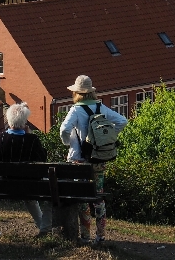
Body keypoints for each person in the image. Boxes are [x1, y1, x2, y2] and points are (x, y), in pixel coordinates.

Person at [59, 75, 127, 244]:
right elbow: (122, 121)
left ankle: (85, 236)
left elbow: (64, 130)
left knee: (82, 199)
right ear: (91, 92)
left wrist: (69, 143)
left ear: (77, 93)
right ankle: (101, 235)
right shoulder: (101, 107)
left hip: (79, 161)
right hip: (98, 159)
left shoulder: (75, 110)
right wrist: (107, 138)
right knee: (98, 197)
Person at [0, 102, 51, 235]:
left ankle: (43, 228)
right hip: (29, 187)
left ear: (8, 121)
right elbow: (43, 159)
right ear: (25, 122)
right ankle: (45, 229)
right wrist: (29, 134)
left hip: (3, 186)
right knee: (53, 194)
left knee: (29, 194)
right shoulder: (32, 140)